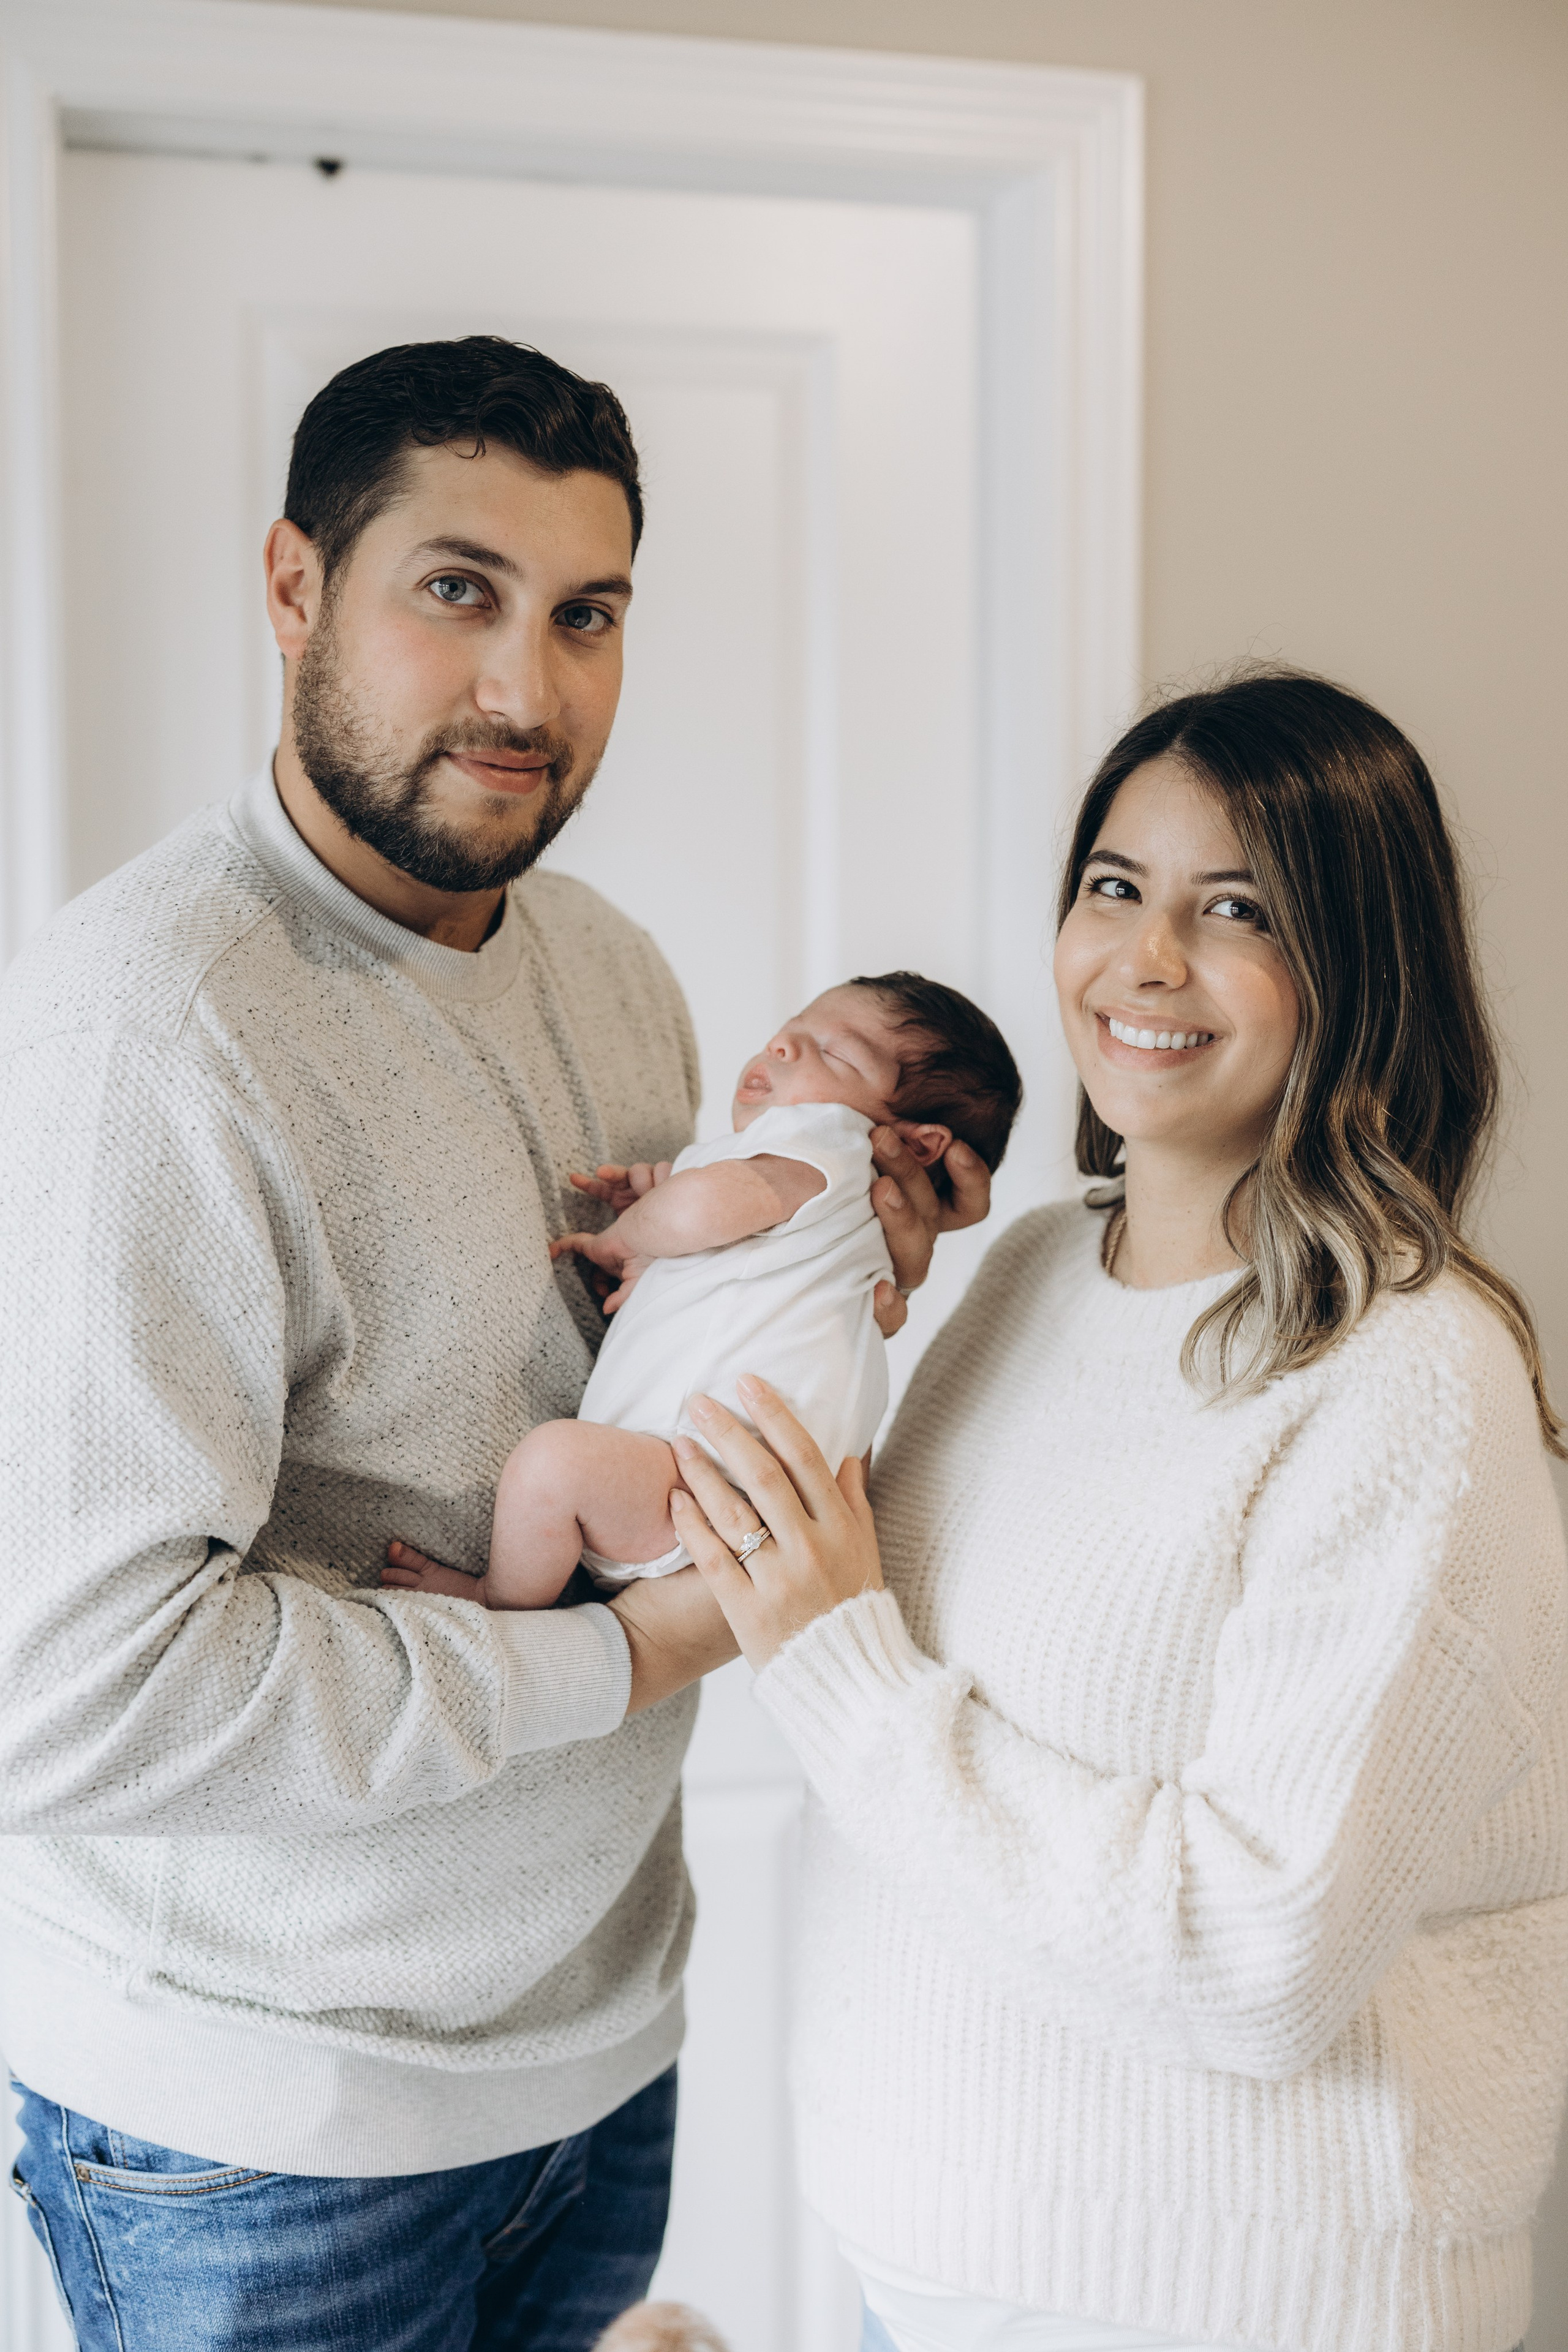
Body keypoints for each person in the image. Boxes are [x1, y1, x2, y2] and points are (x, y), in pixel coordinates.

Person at [0, 335, 989, 2352]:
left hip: (599, 2055)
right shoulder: (145, 1035)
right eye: (457, 591)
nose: (531, 691)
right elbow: (68, 1691)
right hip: (266, 2141)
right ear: (295, 587)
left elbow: (651, 1377)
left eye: (588, 614)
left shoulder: (611, 968)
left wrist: (846, 1287)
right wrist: (628, 1651)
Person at [667, 671, 1568, 2352]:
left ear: (1357, 965)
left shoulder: (1407, 1376)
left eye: (1236, 911)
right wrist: (803, 1283)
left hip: (1229, 2314)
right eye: (1115, 887)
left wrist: (849, 1670)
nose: (1147, 959)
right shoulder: (1022, 1272)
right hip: (916, 2269)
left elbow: (1260, 1953)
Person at [383, 974, 1021, 1608]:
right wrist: (667, 1185)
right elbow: (736, 1217)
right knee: (562, 1471)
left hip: (689, 1477)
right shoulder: (843, 1211)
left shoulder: (838, 1140)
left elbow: (700, 1210)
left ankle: (501, 1603)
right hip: (737, 1504)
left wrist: (629, 1234)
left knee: (551, 1467)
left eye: (835, 1052)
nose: (782, 1046)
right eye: (792, 1028)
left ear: (914, 1142)